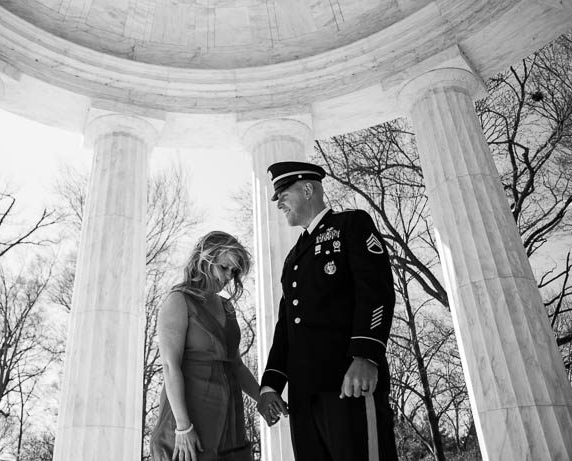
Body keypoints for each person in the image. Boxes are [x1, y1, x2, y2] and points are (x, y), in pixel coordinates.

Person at [256, 161, 398, 461]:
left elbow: (376, 291)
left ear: (308, 189)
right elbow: (287, 326)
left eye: (283, 192)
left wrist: (365, 355)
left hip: (349, 382)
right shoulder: (293, 257)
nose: (278, 202)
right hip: (304, 395)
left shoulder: (350, 225)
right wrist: (271, 385)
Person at [150, 231, 260, 461]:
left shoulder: (227, 307)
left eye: (234, 271)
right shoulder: (178, 300)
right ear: (204, 260)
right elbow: (170, 367)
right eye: (224, 267)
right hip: (189, 421)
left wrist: (264, 397)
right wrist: (183, 426)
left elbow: (237, 366)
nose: (229, 276)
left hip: (229, 420)